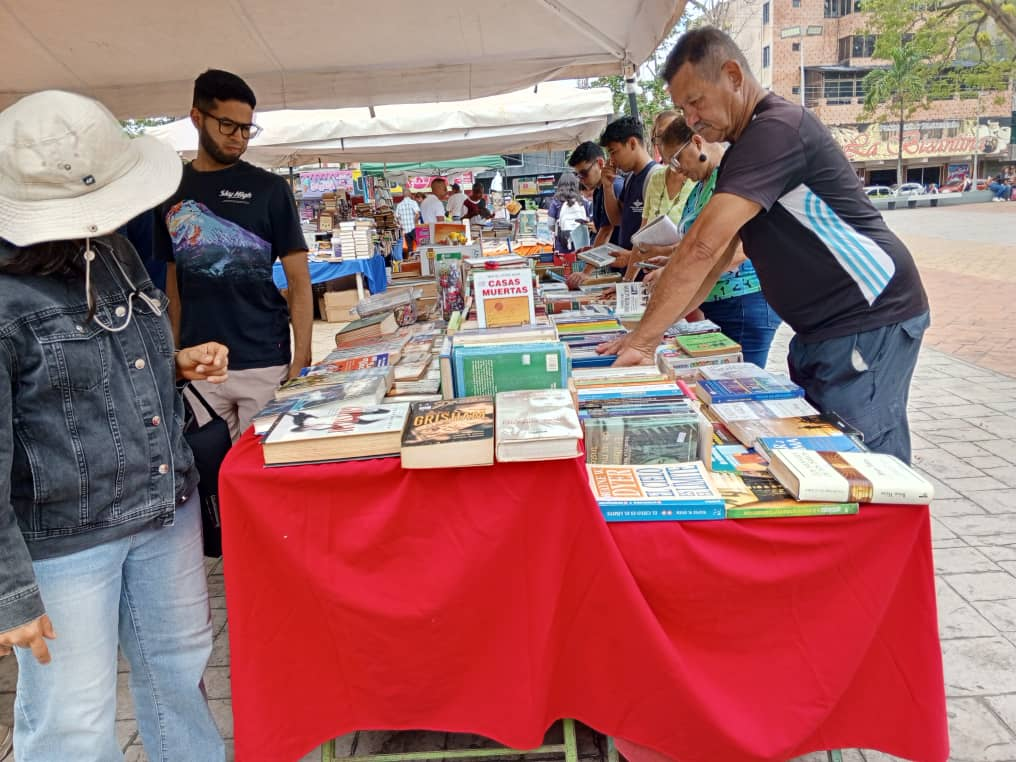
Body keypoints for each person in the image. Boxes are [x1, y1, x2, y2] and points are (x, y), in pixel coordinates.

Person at [0, 89, 229, 762]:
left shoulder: (115, 253)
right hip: (65, 541)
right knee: (72, 720)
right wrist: (11, 593)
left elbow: (96, 368)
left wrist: (173, 364)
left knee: (179, 677)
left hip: (163, 510)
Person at [603, 27, 929, 463]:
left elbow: (701, 247)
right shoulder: (744, 150)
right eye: (683, 108)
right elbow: (714, 261)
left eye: (696, 102)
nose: (692, 119)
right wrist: (648, 332)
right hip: (824, 327)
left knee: (862, 464)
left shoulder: (777, 130)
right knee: (824, 459)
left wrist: (643, 342)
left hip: (867, 315)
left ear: (734, 76)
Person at [153, 69, 312, 441]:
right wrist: (176, 353)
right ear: (197, 117)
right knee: (205, 469)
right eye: (228, 125)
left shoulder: (270, 189)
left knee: (261, 468)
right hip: (200, 366)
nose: (239, 137)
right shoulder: (170, 190)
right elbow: (173, 278)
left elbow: (299, 280)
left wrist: (301, 358)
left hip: (263, 359)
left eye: (246, 128)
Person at [644, 115, 782, 367]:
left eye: (676, 159)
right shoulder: (700, 188)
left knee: (740, 379)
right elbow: (696, 242)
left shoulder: (730, 181)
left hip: (743, 301)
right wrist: (672, 259)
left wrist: (673, 270)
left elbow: (736, 247)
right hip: (714, 302)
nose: (676, 169)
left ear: (697, 143)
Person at [566, 118, 657, 288]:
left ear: (632, 143)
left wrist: (628, 280)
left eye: (614, 152)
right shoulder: (630, 178)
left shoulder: (654, 177)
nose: (612, 160)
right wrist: (607, 187)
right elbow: (617, 220)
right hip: (631, 273)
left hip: (645, 274)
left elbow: (647, 237)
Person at [641, 110, 696, 231]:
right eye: (661, 137)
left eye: (672, 135)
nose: (666, 143)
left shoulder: (699, 178)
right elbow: (643, 227)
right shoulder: (655, 178)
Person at [567, 141, 623, 248]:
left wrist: (590, 256)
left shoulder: (614, 187)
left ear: (600, 164)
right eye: (577, 175)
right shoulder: (598, 191)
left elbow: (606, 231)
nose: (581, 179)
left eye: (584, 173)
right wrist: (591, 250)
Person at [548, 174, 589, 253]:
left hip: (562, 245)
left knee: (564, 261)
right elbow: (587, 221)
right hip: (581, 244)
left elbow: (550, 224)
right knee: (580, 259)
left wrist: (559, 229)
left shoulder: (555, 202)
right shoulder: (583, 201)